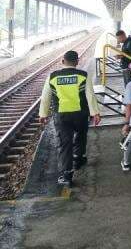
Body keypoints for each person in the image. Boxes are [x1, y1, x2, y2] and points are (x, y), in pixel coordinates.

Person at [39, 50, 101, 186]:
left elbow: (45, 97)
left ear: (62, 61)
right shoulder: (83, 75)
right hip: (80, 114)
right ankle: (78, 159)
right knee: (81, 135)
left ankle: (67, 175)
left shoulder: (52, 76)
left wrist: (43, 114)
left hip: (61, 116)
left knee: (64, 143)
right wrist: (95, 113)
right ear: (77, 62)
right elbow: (90, 95)